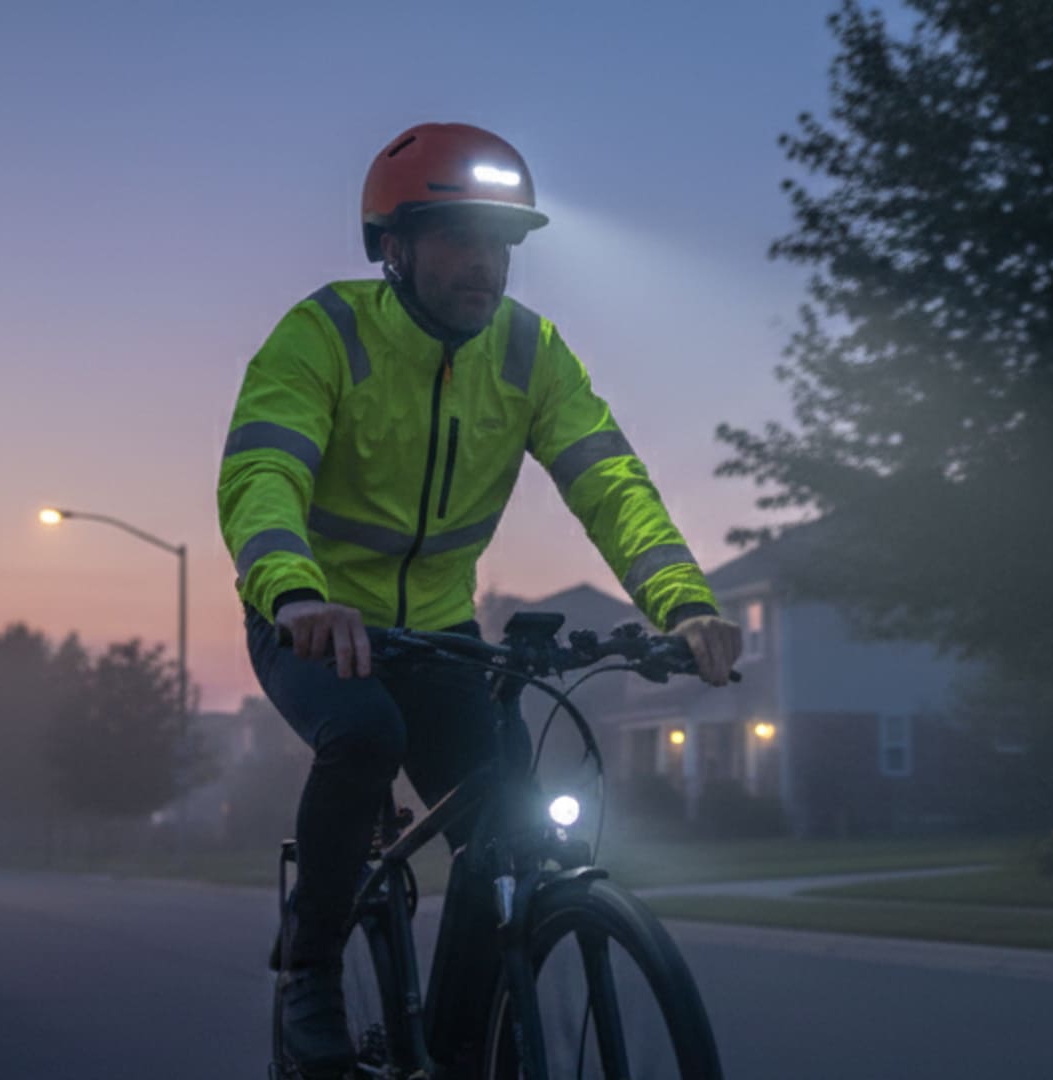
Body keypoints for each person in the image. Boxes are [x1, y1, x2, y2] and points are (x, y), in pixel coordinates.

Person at [217, 121, 740, 1075]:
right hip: (315, 623)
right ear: (393, 248)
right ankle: (310, 969)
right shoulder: (324, 333)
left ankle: (470, 1040)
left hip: (444, 634)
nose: (486, 265)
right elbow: (263, 472)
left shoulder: (531, 353)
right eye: (459, 238)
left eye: (503, 243)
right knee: (366, 738)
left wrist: (682, 603)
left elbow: (610, 482)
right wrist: (293, 591)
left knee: (513, 833)